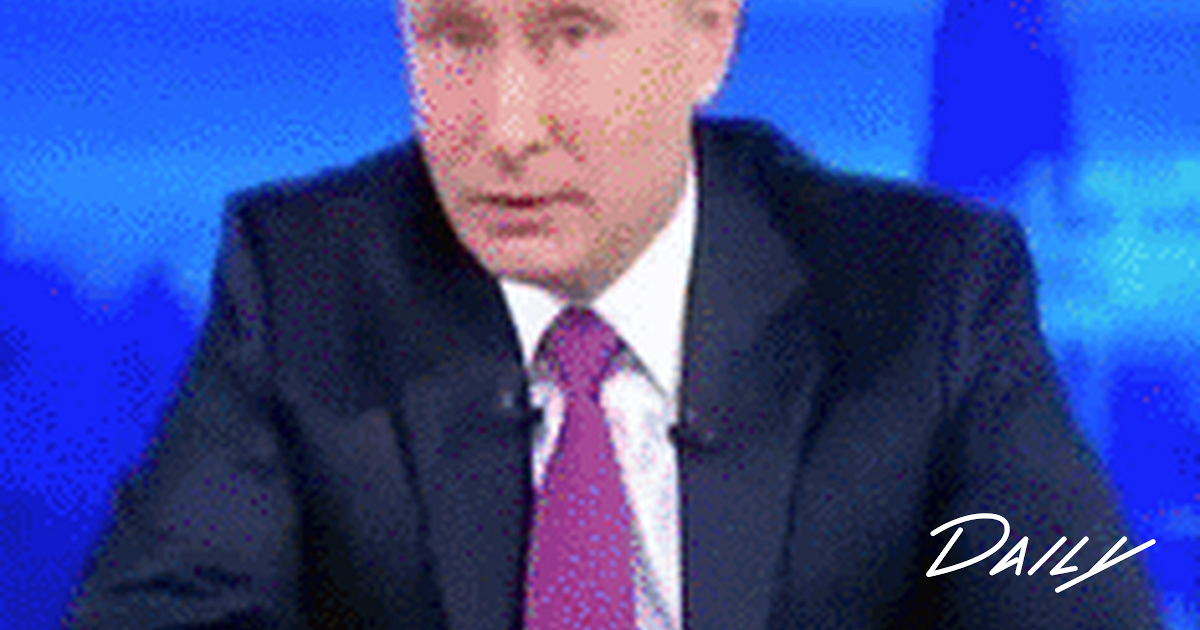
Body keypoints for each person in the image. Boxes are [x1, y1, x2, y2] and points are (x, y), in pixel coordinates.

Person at [67, 0, 1163, 628]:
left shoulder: (928, 297)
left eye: (572, 32)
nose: (507, 131)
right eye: (454, 37)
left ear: (709, 35)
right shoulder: (302, 280)